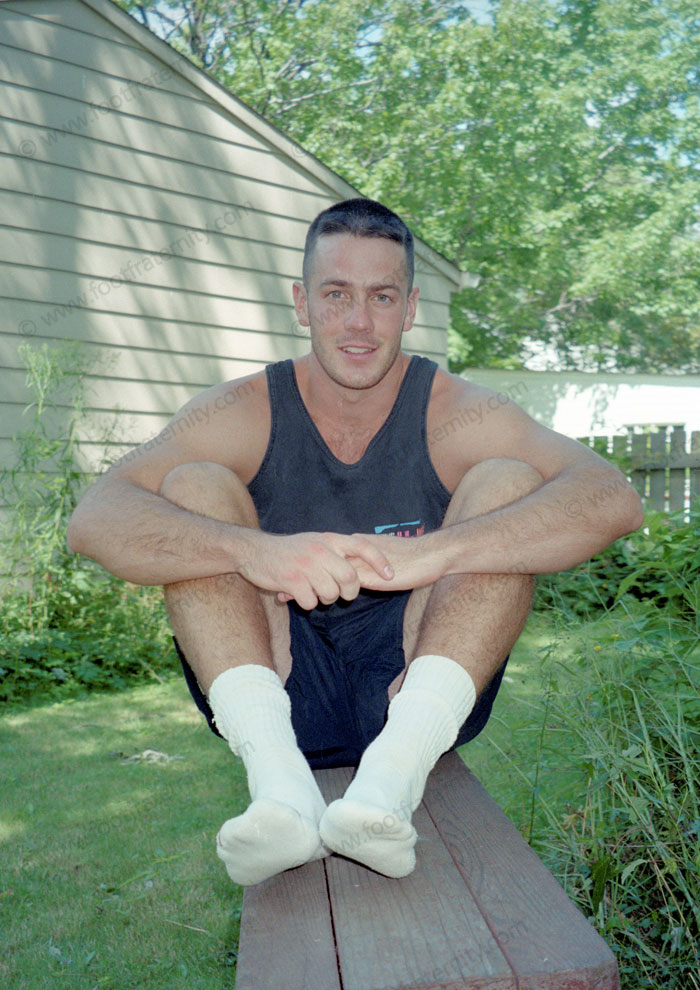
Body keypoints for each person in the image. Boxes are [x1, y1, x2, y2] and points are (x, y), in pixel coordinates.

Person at [67, 198, 643, 887]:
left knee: (508, 481)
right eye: (336, 295)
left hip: (417, 682)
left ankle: (389, 787)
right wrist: (255, 552)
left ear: (410, 307)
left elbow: (611, 496)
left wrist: (434, 553)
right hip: (278, 683)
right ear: (303, 303)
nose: (359, 322)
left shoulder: (460, 412)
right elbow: (96, 515)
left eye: (381, 297)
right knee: (194, 487)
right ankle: (280, 793)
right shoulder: (242, 410)